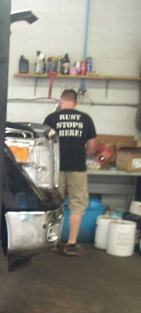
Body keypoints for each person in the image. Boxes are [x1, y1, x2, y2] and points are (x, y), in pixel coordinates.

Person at [44, 89, 97, 256]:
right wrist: (83, 157)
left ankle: (54, 242)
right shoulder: (85, 119)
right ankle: (71, 244)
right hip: (78, 168)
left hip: (55, 170)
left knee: (55, 205)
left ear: (61, 101)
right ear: (76, 102)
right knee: (77, 206)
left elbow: (45, 144)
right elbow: (92, 146)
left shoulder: (51, 118)